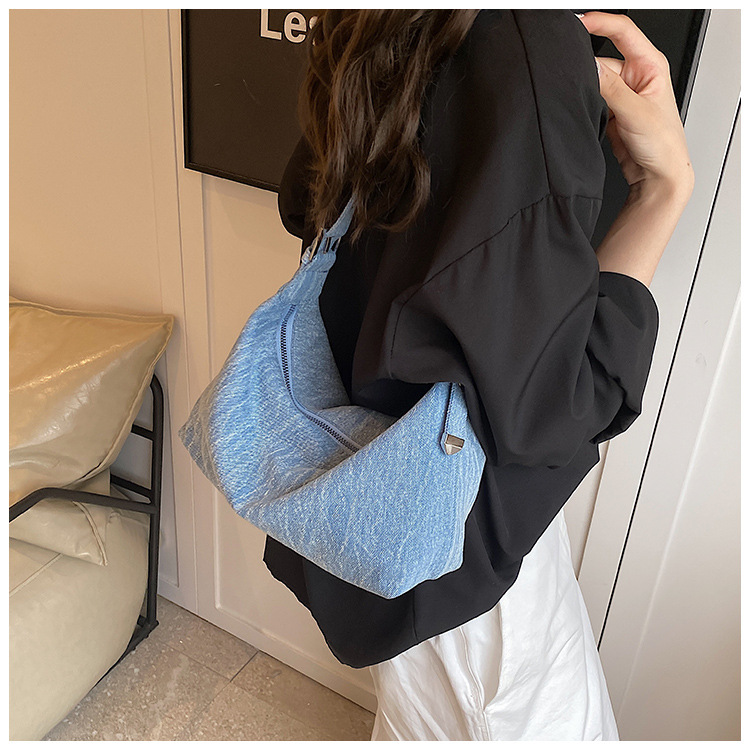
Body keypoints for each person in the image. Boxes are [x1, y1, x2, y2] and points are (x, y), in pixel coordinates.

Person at [266, 9, 694, 741]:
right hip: (459, 545)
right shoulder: (526, 41)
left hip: (364, 484)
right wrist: (663, 192)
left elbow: (303, 201)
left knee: (418, 718)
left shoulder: (380, 19)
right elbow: (554, 412)